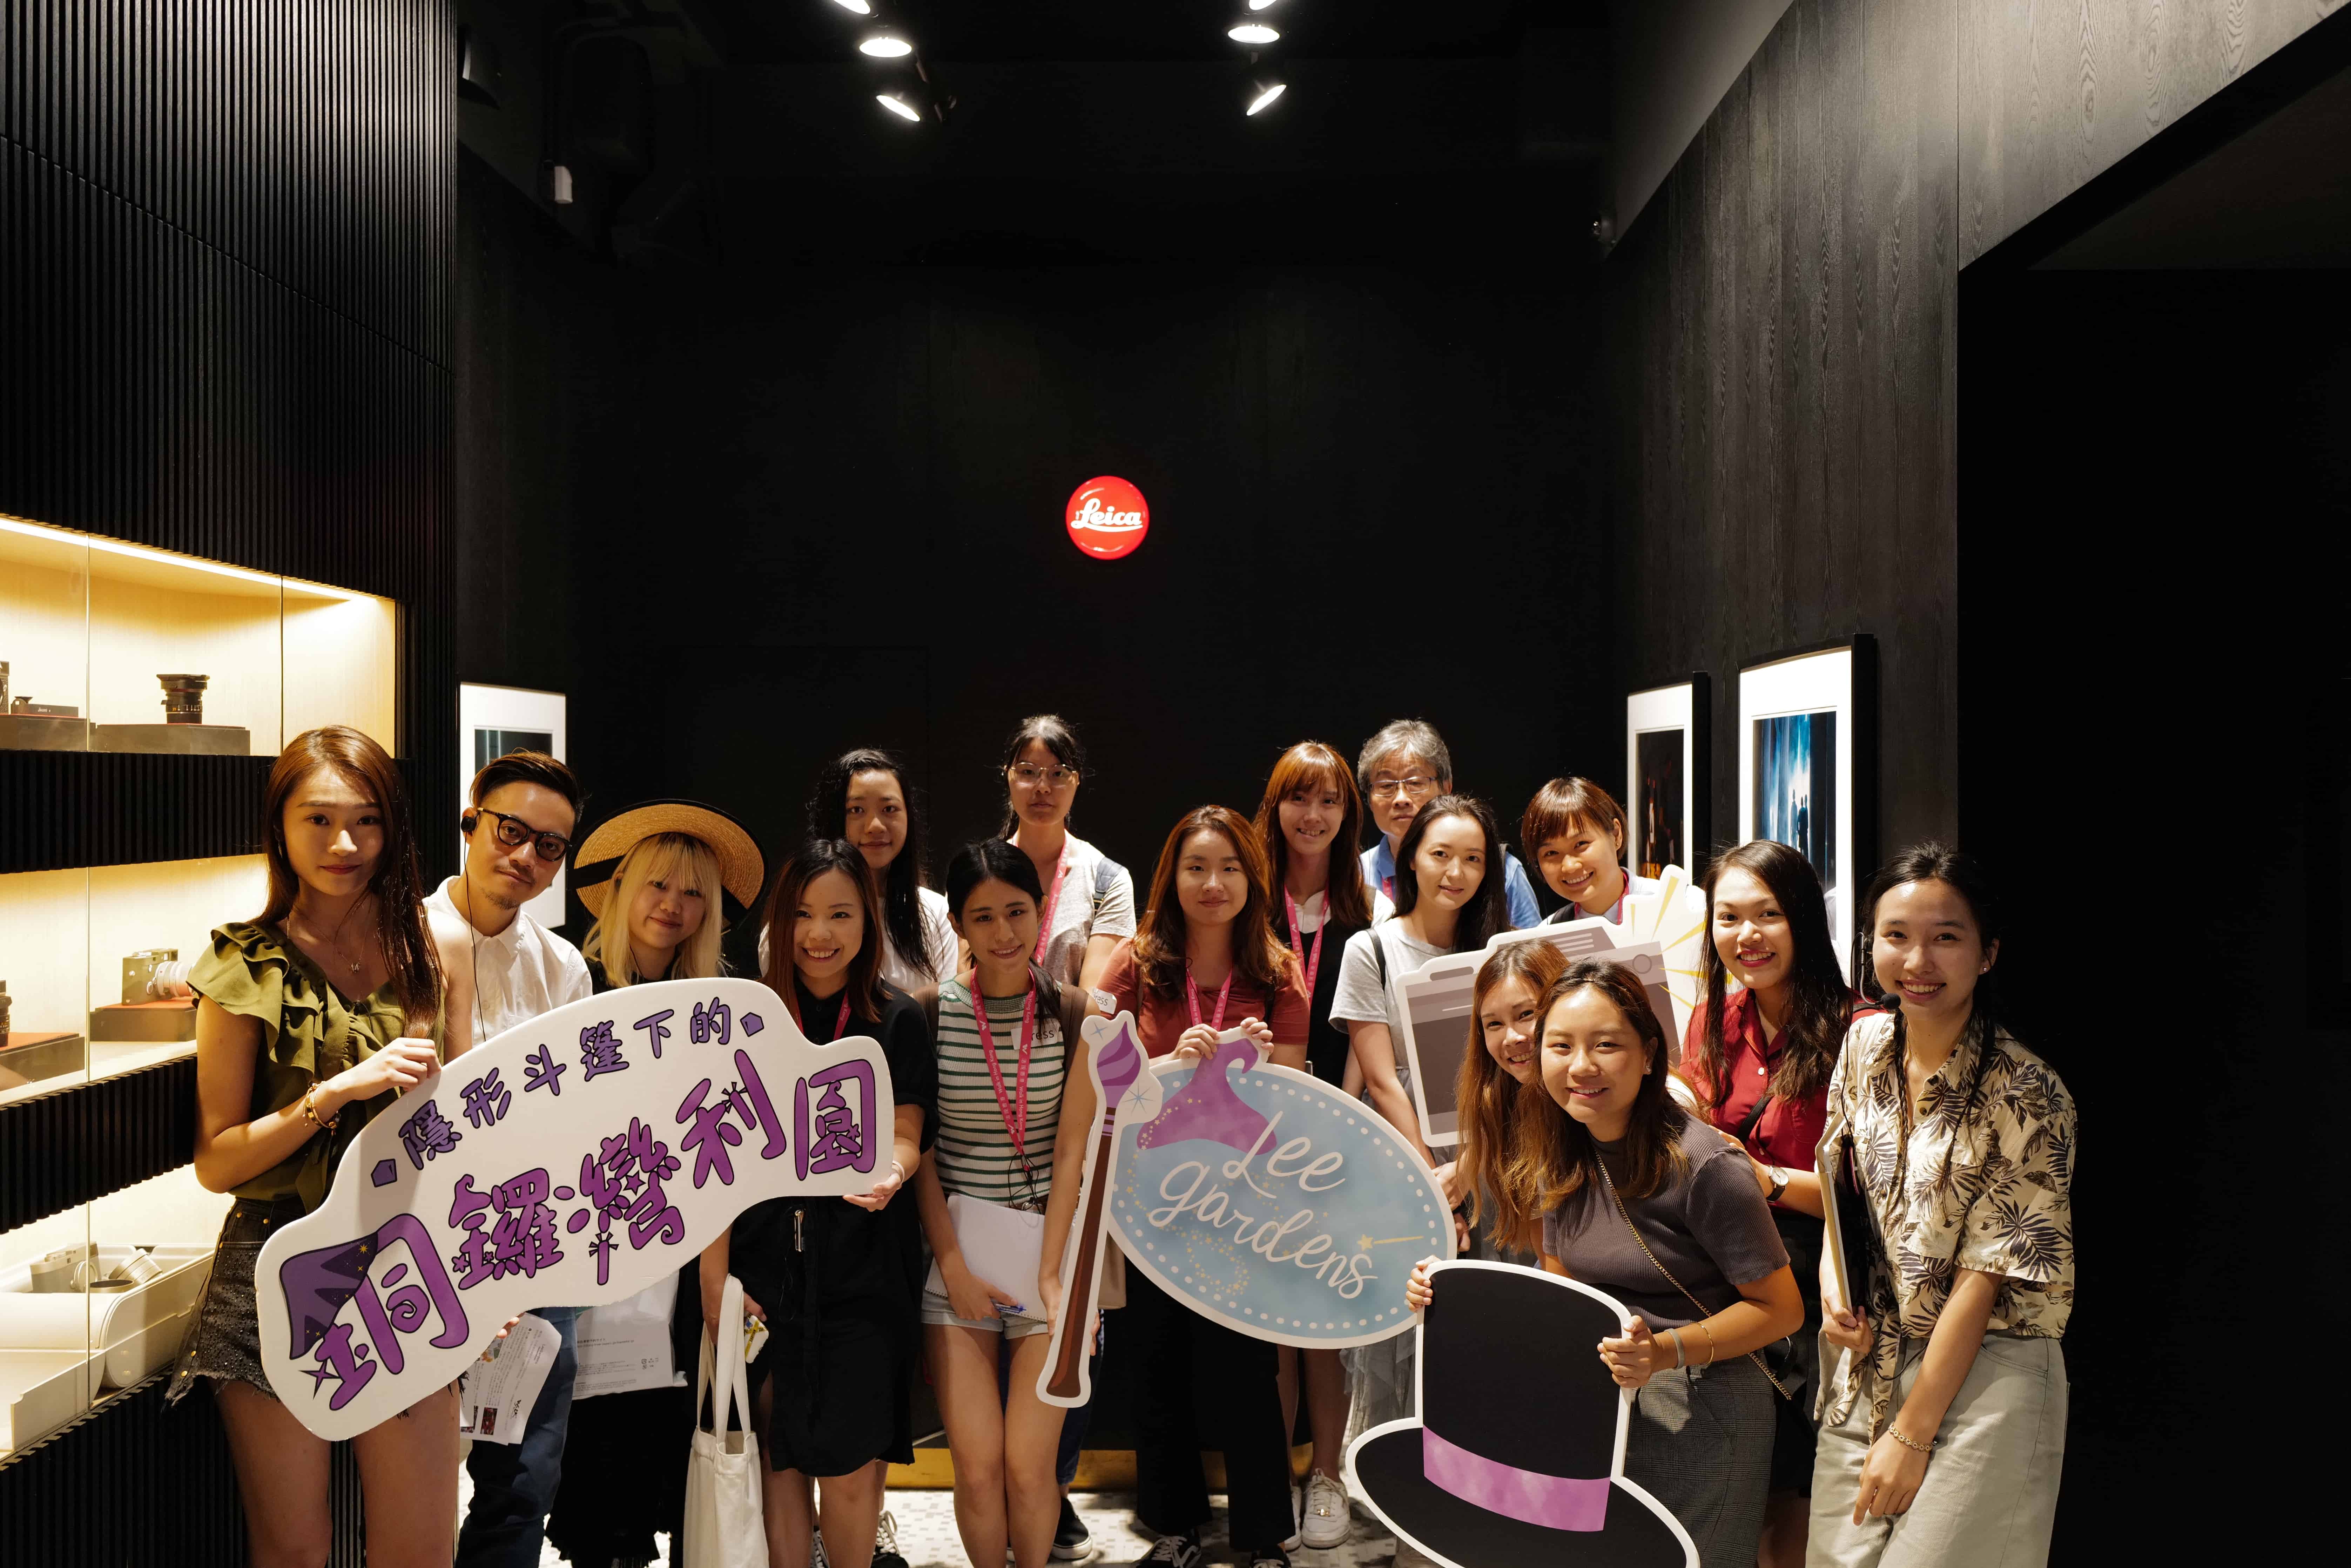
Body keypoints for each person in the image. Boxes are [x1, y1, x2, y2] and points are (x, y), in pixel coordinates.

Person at [168, 725, 475, 1568]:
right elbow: (217, 1161)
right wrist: (332, 1093)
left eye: (367, 819)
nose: (345, 843)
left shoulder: (437, 945)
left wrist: (485, 1261)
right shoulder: (244, 962)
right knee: (295, 1551)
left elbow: (465, 1128)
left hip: (408, 1258)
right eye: (319, 819)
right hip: (276, 1263)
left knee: (420, 1550)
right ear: (281, 827)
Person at [1407, 958, 1804, 1568]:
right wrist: (1448, 1298)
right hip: (1602, 1406)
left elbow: (1779, 1310)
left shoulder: (1705, 1165)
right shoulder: (1558, 1149)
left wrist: (1663, 1352)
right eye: (1561, 1046)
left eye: (1606, 1045)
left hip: (1704, 1407)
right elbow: (1563, 1294)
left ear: (1648, 1055)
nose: (1581, 1066)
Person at [1042, 806, 1308, 1568]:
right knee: (1157, 1363)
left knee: (1249, 1370)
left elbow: (1293, 1102)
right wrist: (1169, 1066)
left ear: (1251, 878)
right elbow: (1102, 1075)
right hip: (1150, 1200)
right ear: (1172, 877)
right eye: (1196, 867)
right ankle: (1174, 1527)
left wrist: (1255, 1064)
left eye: (1228, 867)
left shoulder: (1277, 969)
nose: (1212, 883)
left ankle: (1264, 1533)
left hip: (1242, 1207)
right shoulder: (1134, 963)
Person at [1810, 846, 2074, 1567]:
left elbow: (1986, 1276)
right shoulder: (1863, 1042)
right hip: (1869, 1357)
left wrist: (1911, 1433)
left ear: (1986, 954)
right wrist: (1834, 1290)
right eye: (1895, 935)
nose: (1916, 960)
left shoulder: (2026, 1090)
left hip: (1987, 1366)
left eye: (1945, 937)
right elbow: (1838, 1183)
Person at [703, 838, 932, 1568]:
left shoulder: (896, 1018)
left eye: (839, 913)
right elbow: (714, 1161)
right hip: (766, 1268)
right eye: (802, 914)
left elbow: (907, 1134)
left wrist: (891, 1173)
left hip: (863, 1266)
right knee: (781, 1459)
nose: (819, 933)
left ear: (867, 919)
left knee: (852, 1468)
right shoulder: (746, 1017)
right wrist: (716, 1279)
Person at [548, 798, 766, 1568]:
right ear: (620, 888)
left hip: (675, 1274)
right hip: (578, 1261)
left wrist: (712, 1279)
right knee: (592, 1492)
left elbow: (724, 1154)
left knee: (673, 1478)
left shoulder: (717, 1009)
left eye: (694, 892)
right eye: (658, 884)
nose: (673, 905)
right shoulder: (570, 987)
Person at [1678, 840, 1880, 1568]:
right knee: (1735, 1485)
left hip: (1815, 1284)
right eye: (1728, 917)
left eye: (1767, 914)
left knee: (1797, 1490)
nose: (1747, 935)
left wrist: (1760, 1178)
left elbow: (1869, 1195)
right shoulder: (1710, 1018)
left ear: (1801, 916)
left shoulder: (1860, 1030)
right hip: (1721, 1274)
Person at [912, 840, 1093, 1568]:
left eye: (1016, 912)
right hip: (956, 1265)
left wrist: (1052, 1275)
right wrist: (952, 1266)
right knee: (979, 1469)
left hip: (1049, 1263)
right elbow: (920, 1154)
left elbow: (1072, 1152)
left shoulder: (1075, 1012)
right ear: (958, 924)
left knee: (1028, 1468)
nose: (1002, 932)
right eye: (982, 917)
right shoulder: (928, 1015)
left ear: (1039, 912)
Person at [435, 751, 595, 1568]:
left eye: (549, 845)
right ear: (471, 824)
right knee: (410, 1470)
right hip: (419, 1237)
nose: (526, 856)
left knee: (524, 1469)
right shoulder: (403, 940)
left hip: (531, 1241)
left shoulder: (563, 967)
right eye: (510, 832)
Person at [1326, 794, 1510, 1483]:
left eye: (1472, 859)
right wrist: (1435, 1181)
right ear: (1410, 860)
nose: (1455, 872)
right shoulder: (1371, 948)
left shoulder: (1502, 952)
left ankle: (1481, 1495)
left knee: (1488, 1332)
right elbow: (1381, 1078)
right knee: (1409, 1324)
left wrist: (1470, 1164)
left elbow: (1516, 1069)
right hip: (1401, 1167)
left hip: (1492, 1160)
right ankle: (1405, 1496)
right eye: (1440, 854)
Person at [1248, 740, 1378, 1549]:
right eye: (1299, 797)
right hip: (1249, 1144)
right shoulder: (1245, 902)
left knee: (1323, 1321)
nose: (1313, 814)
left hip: (1337, 1141)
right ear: (1275, 807)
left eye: (1330, 800)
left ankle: (1325, 1474)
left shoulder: (1366, 913)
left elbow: (1370, 1032)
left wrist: (1341, 1124)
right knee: (1267, 1323)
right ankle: (1270, 1482)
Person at [1448, 937, 1569, 1262]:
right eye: (1494, 1024)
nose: (1512, 1038)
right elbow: (1551, 1259)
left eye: (1526, 1014)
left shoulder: (1610, 1097)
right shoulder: (1508, 1113)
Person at [1354, 719, 1540, 928]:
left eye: (1416, 783)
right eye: (1386, 785)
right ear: (1368, 797)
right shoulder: (1355, 876)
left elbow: (1534, 947)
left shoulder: (1503, 869)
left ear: (1447, 788)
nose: (1401, 799)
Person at [998, 714, 1136, 993]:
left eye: (1058, 774)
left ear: (1077, 781)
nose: (1043, 787)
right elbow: (965, 977)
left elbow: (1095, 1000)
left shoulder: (1108, 881)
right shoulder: (979, 872)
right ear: (1008, 776)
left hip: (1075, 1024)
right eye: (1028, 772)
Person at [800, 747, 958, 990]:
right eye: (856, 810)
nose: (875, 826)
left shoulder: (936, 912)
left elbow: (942, 1005)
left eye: (889, 809)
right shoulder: (795, 910)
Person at [1522, 776, 1659, 925]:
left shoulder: (1670, 904)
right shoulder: (1549, 934)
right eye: (1551, 853)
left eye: (1581, 844)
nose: (1569, 866)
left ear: (1616, 835)